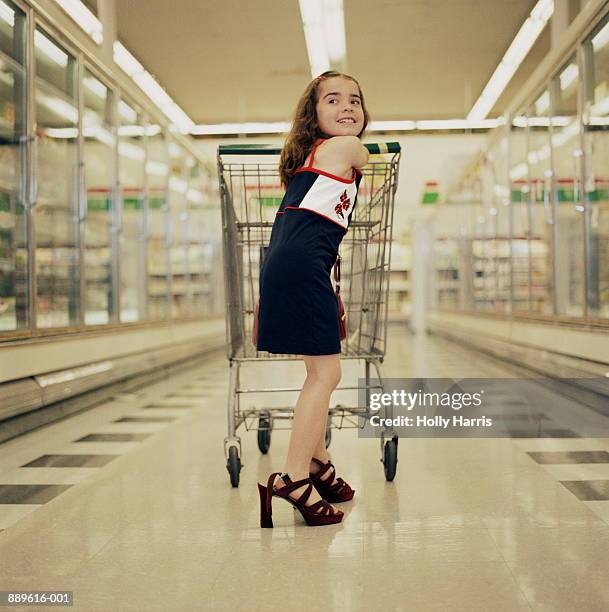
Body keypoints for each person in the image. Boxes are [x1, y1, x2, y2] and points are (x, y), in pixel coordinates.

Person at [256, 70, 370, 527]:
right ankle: (294, 478)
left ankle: (317, 464)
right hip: (304, 265)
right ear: (314, 113)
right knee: (327, 372)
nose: (347, 109)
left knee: (315, 371)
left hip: (288, 264)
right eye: (333, 101)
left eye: (355, 101)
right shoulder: (344, 148)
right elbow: (363, 152)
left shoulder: (309, 157)